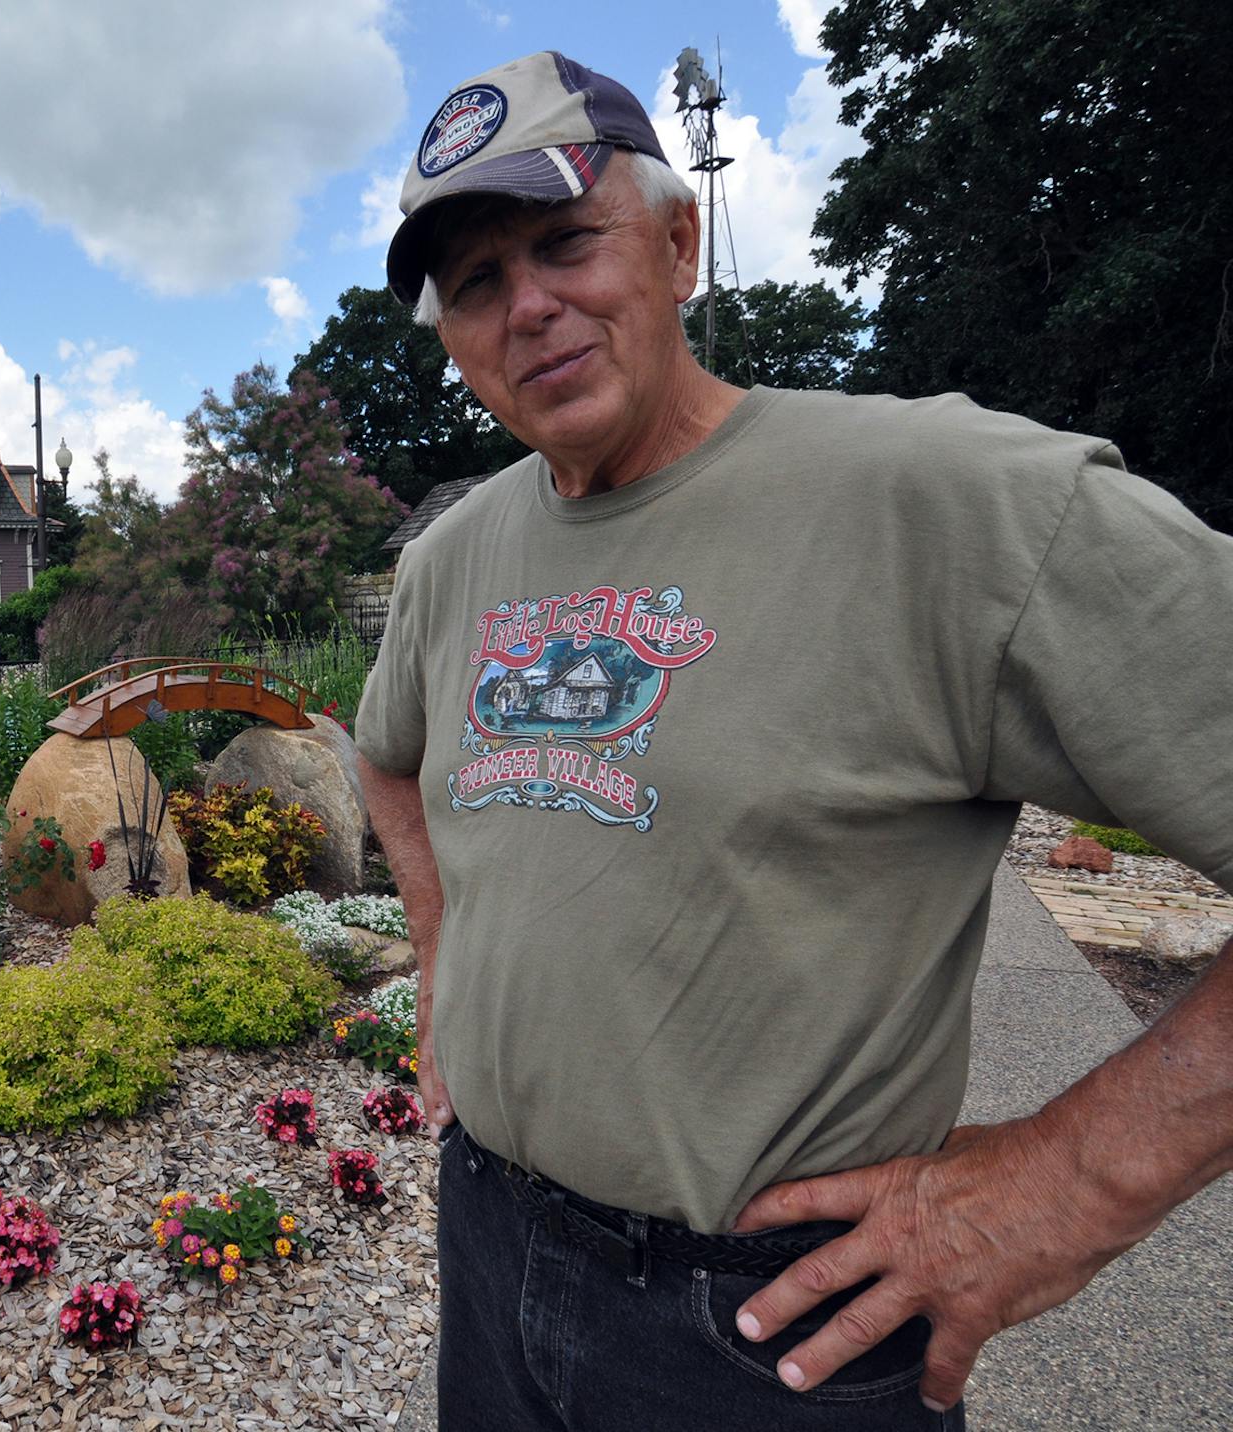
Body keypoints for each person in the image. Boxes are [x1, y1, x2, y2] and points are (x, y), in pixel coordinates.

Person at [353, 50, 1233, 1431]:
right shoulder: (456, 555)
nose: (528, 305)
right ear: (452, 338)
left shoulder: (946, 504)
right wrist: (447, 970)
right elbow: (385, 754)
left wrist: (1069, 1181)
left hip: (766, 1340)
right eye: (474, 283)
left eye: (566, 239)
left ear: (678, 241)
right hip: (491, 1249)